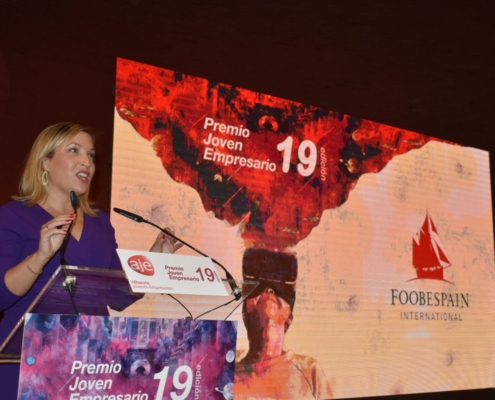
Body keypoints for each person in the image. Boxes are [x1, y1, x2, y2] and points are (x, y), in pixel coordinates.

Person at [0, 122, 177, 399]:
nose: (87, 162)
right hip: (26, 366)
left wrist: (153, 262)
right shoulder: (14, 216)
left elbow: (117, 297)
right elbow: (2, 295)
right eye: (74, 151)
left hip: (89, 368)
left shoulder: (99, 222)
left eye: (91, 155)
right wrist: (41, 256)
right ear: (45, 162)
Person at [234, 248, 333, 400]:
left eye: (281, 288)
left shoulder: (309, 369)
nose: (269, 289)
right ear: (244, 313)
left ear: (289, 318)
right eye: (257, 285)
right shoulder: (228, 379)